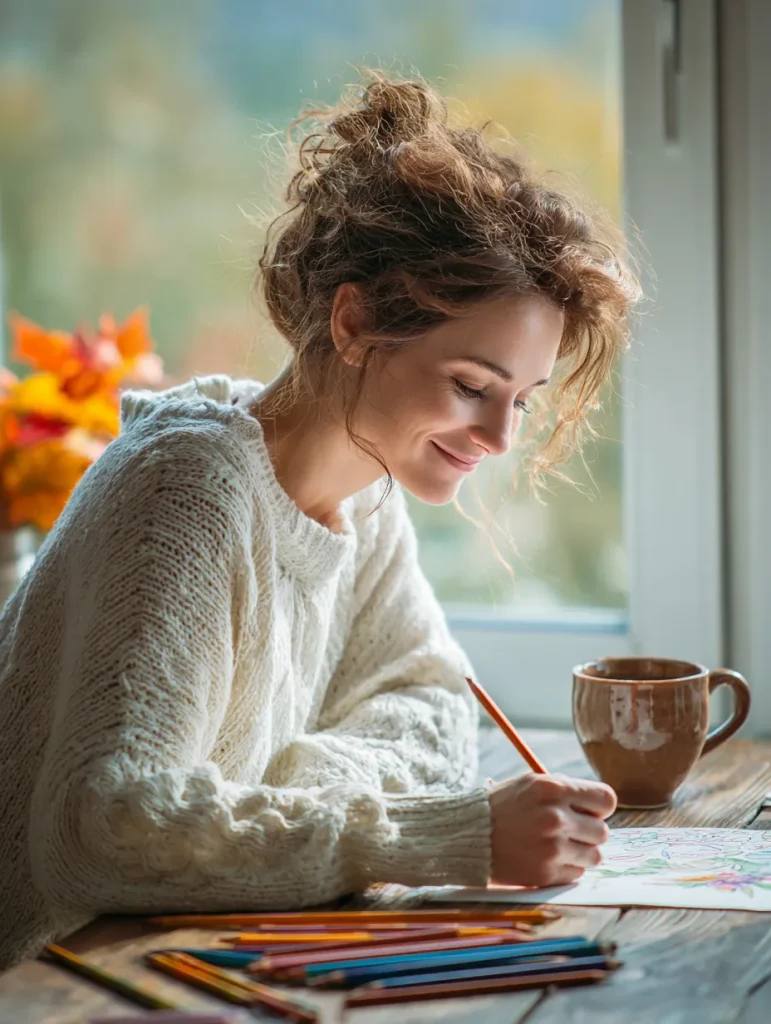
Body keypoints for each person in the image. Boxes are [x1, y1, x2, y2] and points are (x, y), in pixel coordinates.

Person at [0, 74, 636, 971]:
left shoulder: (367, 492)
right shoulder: (188, 490)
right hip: (49, 978)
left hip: (191, 951)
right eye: (469, 386)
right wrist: (430, 836)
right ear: (353, 321)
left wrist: (289, 789)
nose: (497, 437)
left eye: (522, 401)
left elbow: (431, 708)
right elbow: (103, 827)